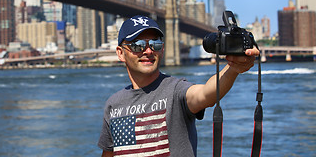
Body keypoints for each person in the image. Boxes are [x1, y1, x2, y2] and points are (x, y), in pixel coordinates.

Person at [98, 15, 259, 157]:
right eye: (138, 45)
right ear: (120, 53)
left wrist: (233, 68)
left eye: (155, 44)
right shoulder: (113, 104)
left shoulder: (176, 90)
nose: (148, 51)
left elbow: (205, 94)